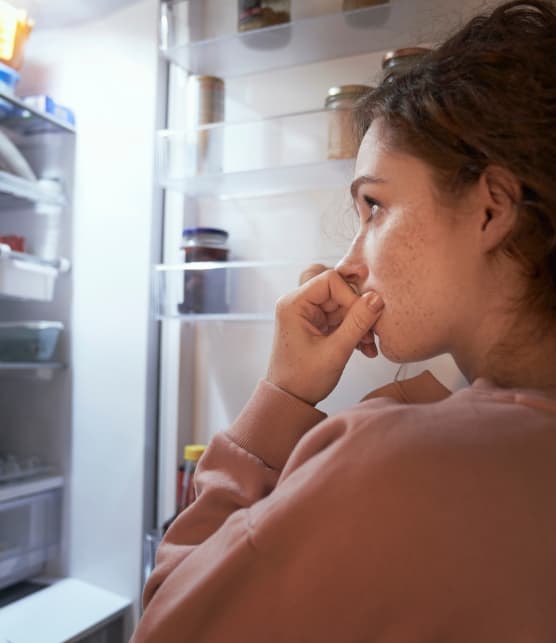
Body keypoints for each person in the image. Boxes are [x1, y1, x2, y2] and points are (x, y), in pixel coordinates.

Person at [131, 1, 556, 640]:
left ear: (491, 211)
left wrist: (282, 398)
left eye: (375, 206)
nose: (350, 265)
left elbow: (165, 626)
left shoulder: (390, 458)